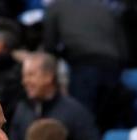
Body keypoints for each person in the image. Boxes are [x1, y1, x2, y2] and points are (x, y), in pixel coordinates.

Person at [6, 52, 108, 140]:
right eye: (24, 75)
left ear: (49, 76)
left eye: (31, 75)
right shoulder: (22, 110)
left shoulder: (74, 111)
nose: (24, 81)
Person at [41, 0, 127, 130]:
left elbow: (49, 47)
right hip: (113, 66)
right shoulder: (104, 7)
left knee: (83, 120)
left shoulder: (56, 7)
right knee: (109, 124)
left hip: (84, 66)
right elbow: (123, 48)